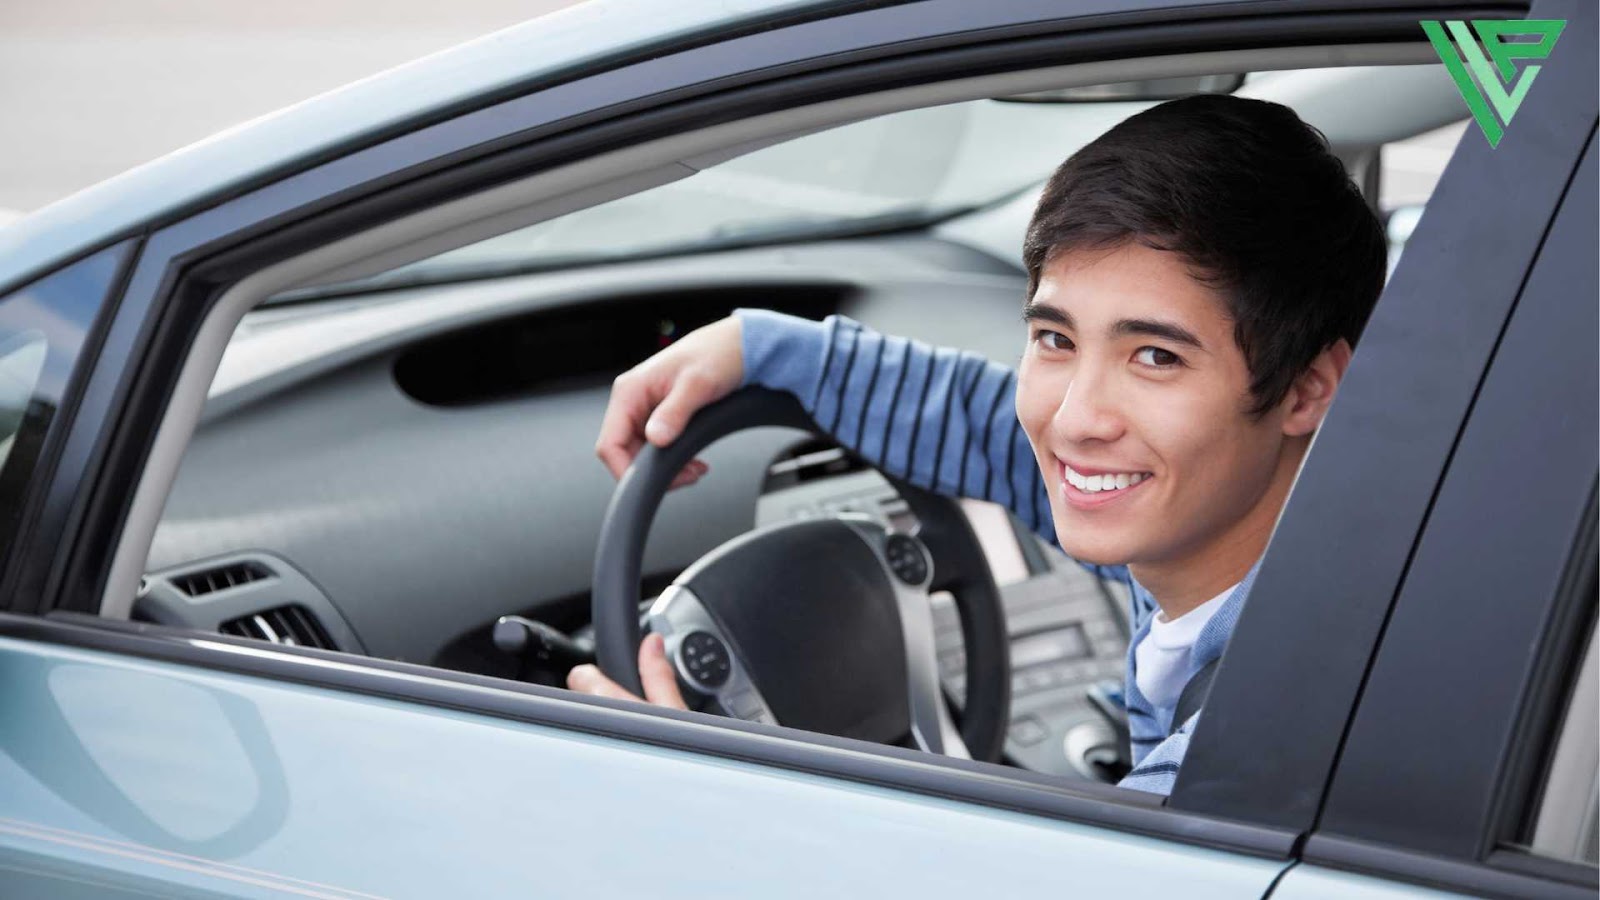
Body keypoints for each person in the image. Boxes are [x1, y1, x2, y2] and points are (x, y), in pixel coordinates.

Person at [566, 94, 1387, 796]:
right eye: (1056, 339)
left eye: (1155, 357)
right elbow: (982, 423)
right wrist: (763, 348)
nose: (1074, 420)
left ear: (1307, 389)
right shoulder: (1276, 529)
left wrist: (697, 798)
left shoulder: (1257, 746)